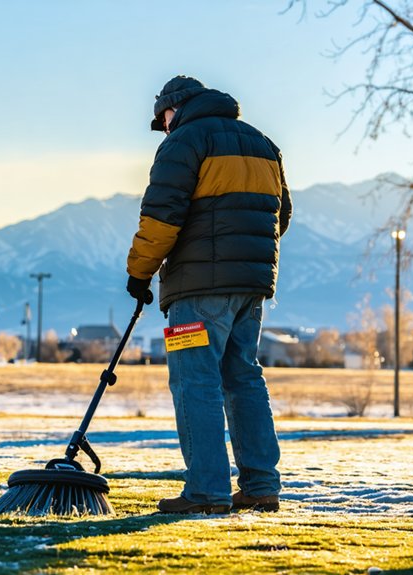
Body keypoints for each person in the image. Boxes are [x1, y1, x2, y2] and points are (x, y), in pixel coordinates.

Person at [125, 75, 291, 514]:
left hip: (197, 291)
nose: (163, 128)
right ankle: (260, 486)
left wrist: (139, 273)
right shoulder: (263, 143)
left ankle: (206, 491)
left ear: (173, 109)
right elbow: (281, 216)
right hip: (251, 288)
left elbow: (161, 218)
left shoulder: (185, 141)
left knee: (194, 381)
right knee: (243, 379)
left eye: (162, 119)